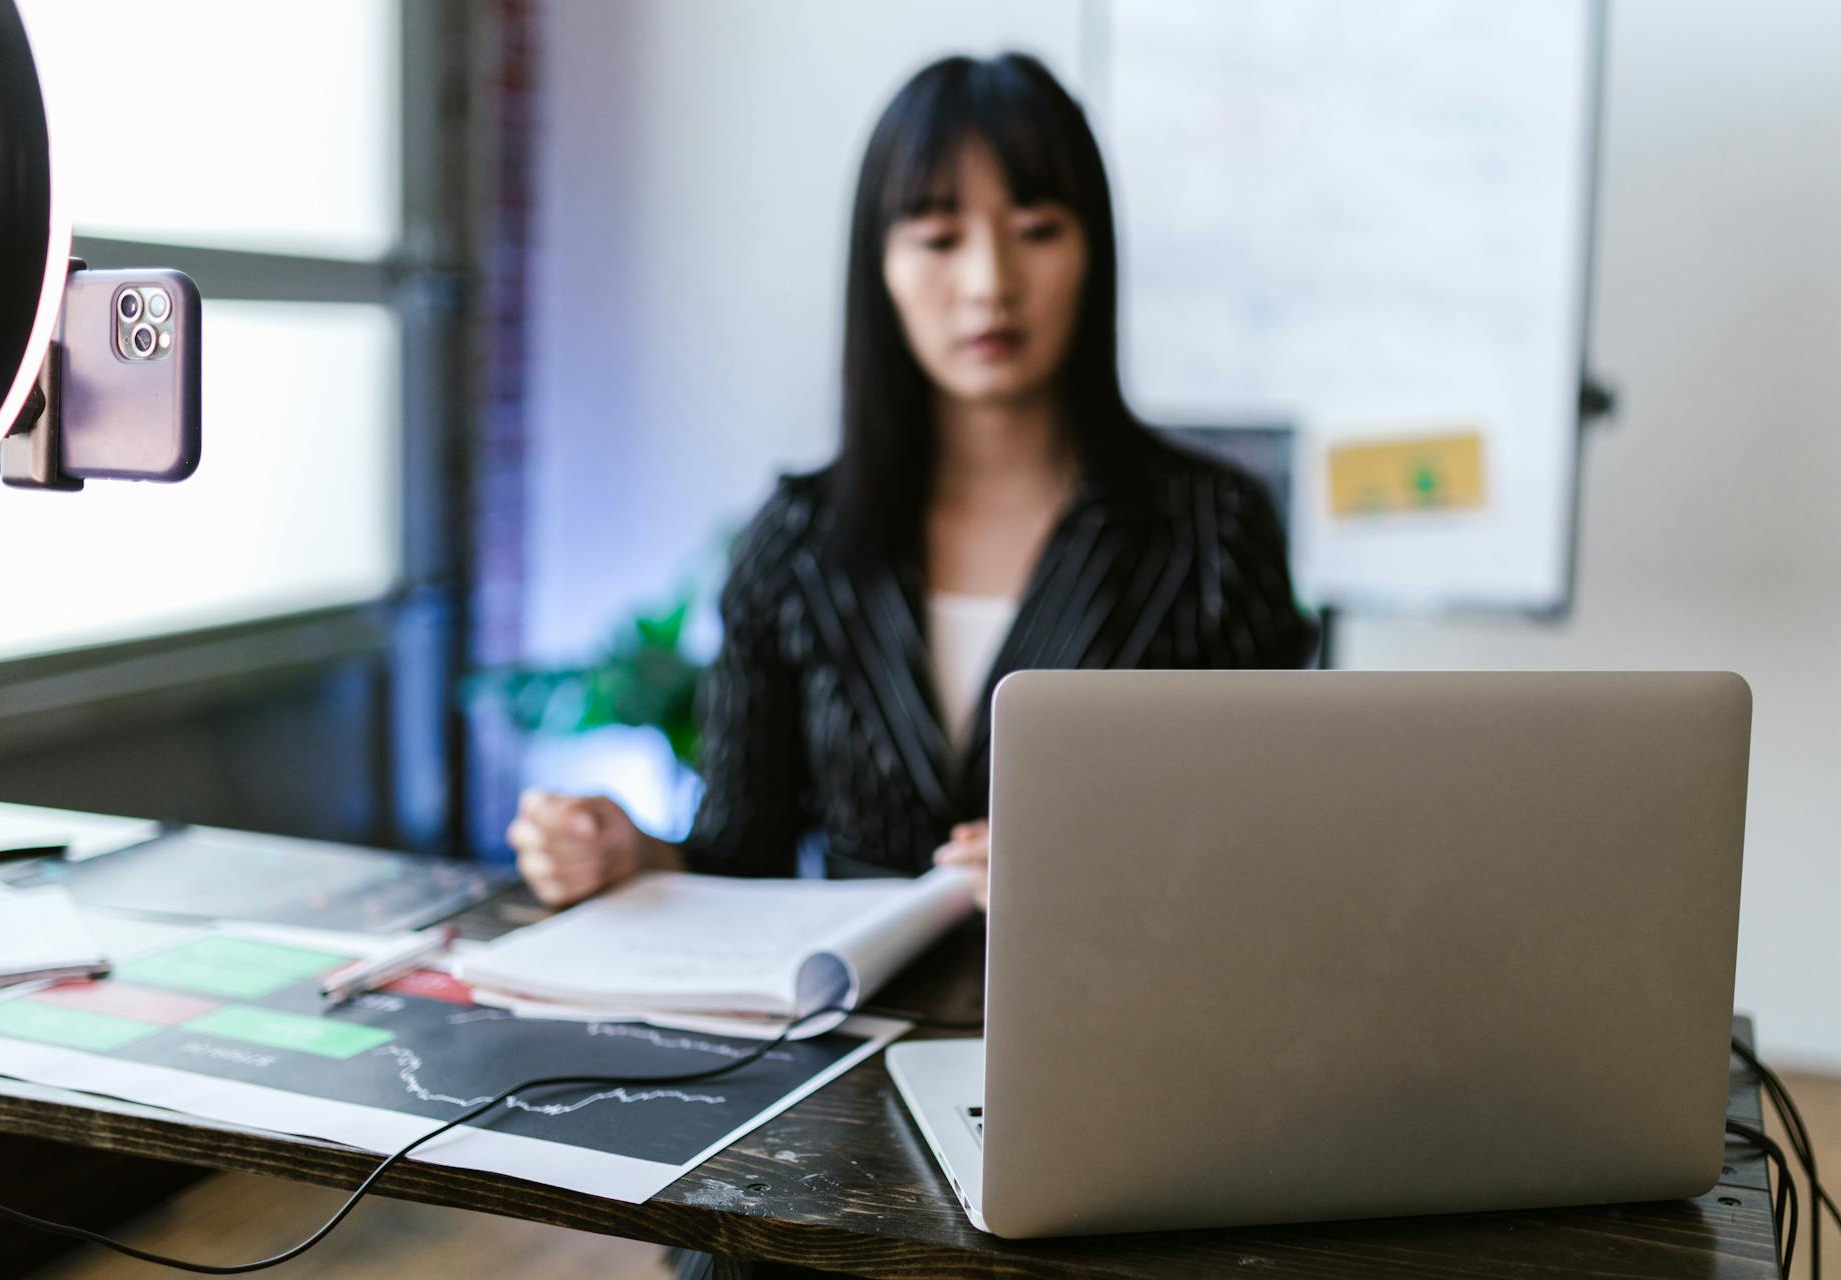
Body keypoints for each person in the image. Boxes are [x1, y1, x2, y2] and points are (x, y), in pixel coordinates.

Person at [511, 52, 1314, 914]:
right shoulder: (797, 539)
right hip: (852, 1033)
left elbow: (1281, 851)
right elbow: (741, 853)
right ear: (880, 267)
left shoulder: (1213, 529)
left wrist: (1101, 871)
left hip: (1124, 1023)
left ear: (1094, 253)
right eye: (937, 239)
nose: (989, 284)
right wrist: (632, 858)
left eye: (1038, 229)